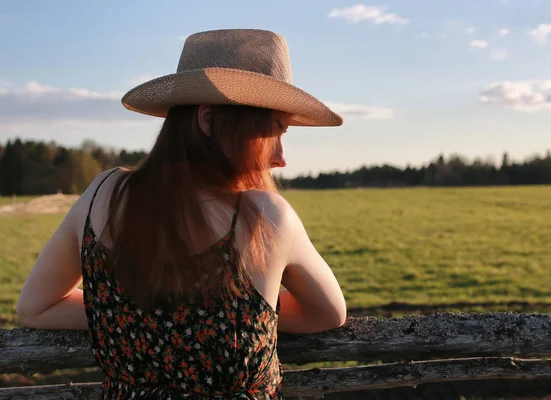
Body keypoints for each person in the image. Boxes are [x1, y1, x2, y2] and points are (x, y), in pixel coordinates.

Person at [16, 29, 347, 399]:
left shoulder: (102, 194)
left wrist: (143, 316)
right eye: (273, 133)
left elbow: (35, 308)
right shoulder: (263, 215)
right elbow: (328, 314)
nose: (281, 158)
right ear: (207, 120)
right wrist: (233, 315)